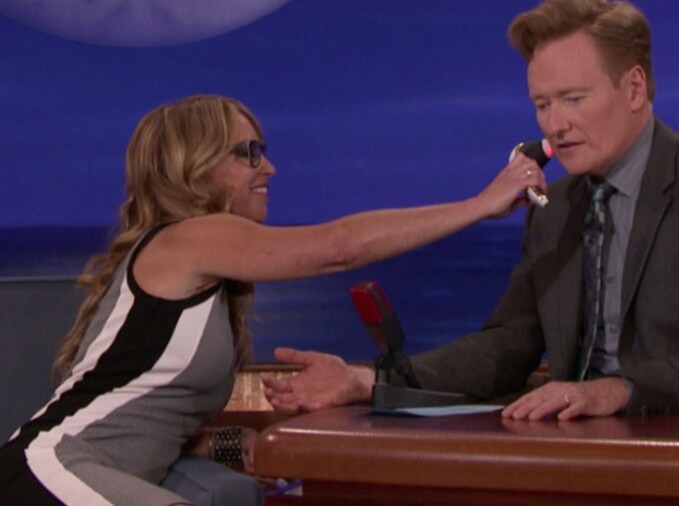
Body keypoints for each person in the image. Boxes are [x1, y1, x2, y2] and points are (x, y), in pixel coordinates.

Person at [262, 0, 679, 421]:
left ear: (634, 88)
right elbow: (509, 345)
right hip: (577, 447)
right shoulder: (555, 207)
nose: (555, 125)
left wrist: (619, 390)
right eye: (542, 104)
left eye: (573, 99)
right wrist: (368, 380)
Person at [0, 94, 545, 505]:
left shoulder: (206, 274)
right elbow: (340, 247)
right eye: (250, 153)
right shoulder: (187, 239)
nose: (269, 168)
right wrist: (480, 204)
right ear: (197, 164)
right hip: (52, 470)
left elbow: (157, 433)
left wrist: (238, 446)